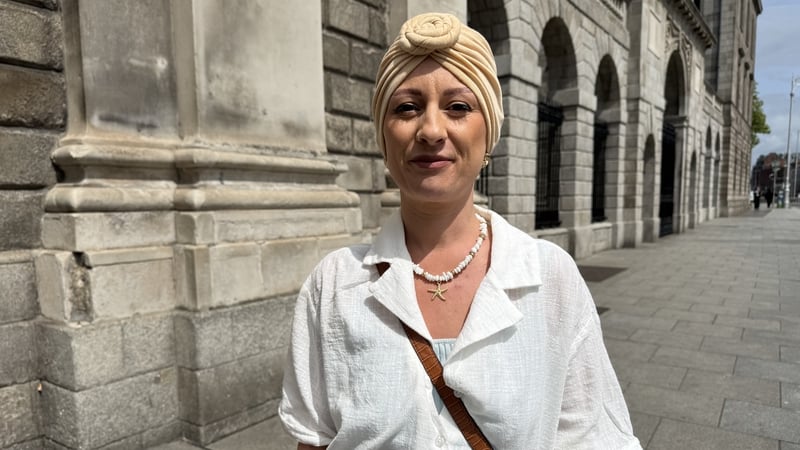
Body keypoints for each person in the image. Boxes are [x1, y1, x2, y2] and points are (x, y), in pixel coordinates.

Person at [280, 13, 640, 449]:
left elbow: (594, 439)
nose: (431, 130)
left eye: (458, 107)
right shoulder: (334, 285)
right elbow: (313, 441)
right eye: (407, 107)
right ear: (384, 136)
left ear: (488, 132)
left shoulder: (551, 279)